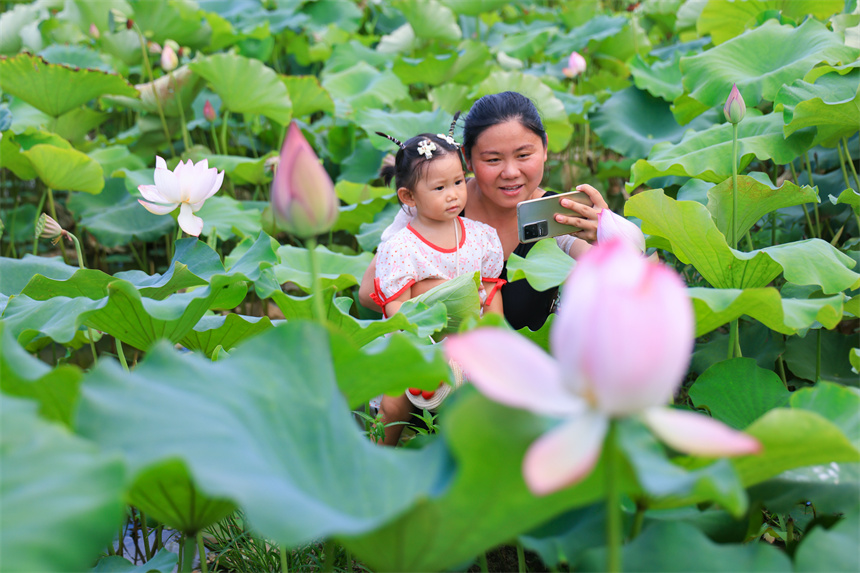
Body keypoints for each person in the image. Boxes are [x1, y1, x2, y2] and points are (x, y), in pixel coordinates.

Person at [360, 91, 609, 444]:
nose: (511, 172)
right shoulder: (432, 208)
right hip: (429, 379)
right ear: (467, 159)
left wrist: (606, 235)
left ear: (545, 147)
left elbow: (619, 275)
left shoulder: (557, 213)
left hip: (522, 389)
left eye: (524, 155)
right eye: (492, 159)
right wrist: (456, 295)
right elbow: (370, 291)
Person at [370, 129, 507, 445]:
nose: (454, 194)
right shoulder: (400, 247)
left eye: (458, 182)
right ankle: (381, 453)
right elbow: (397, 310)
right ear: (409, 197)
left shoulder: (481, 237)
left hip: (470, 343)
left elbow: (490, 296)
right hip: (415, 342)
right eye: (439, 187)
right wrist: (433, 345)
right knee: (394, 403)